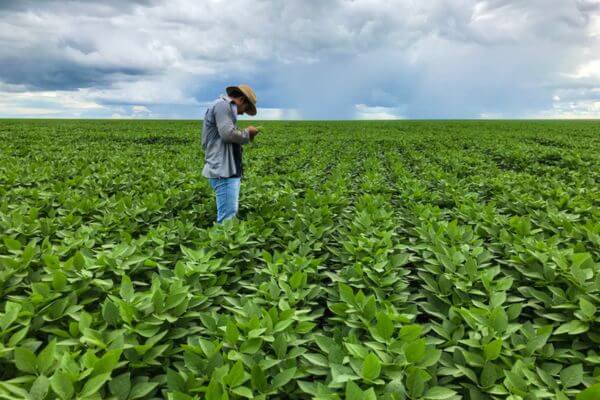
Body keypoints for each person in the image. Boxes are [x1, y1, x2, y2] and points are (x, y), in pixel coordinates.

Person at [201, 84, 260, 223]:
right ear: (241, 99)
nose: (242, 113)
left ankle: (222, 243)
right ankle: (221, 244)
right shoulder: (223, 106)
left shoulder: (223, 107)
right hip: (224, 172)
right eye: (245, 109)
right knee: (227, 221)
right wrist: (248, 133)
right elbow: (228, 134)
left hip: (225, 170)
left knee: (228, 216)